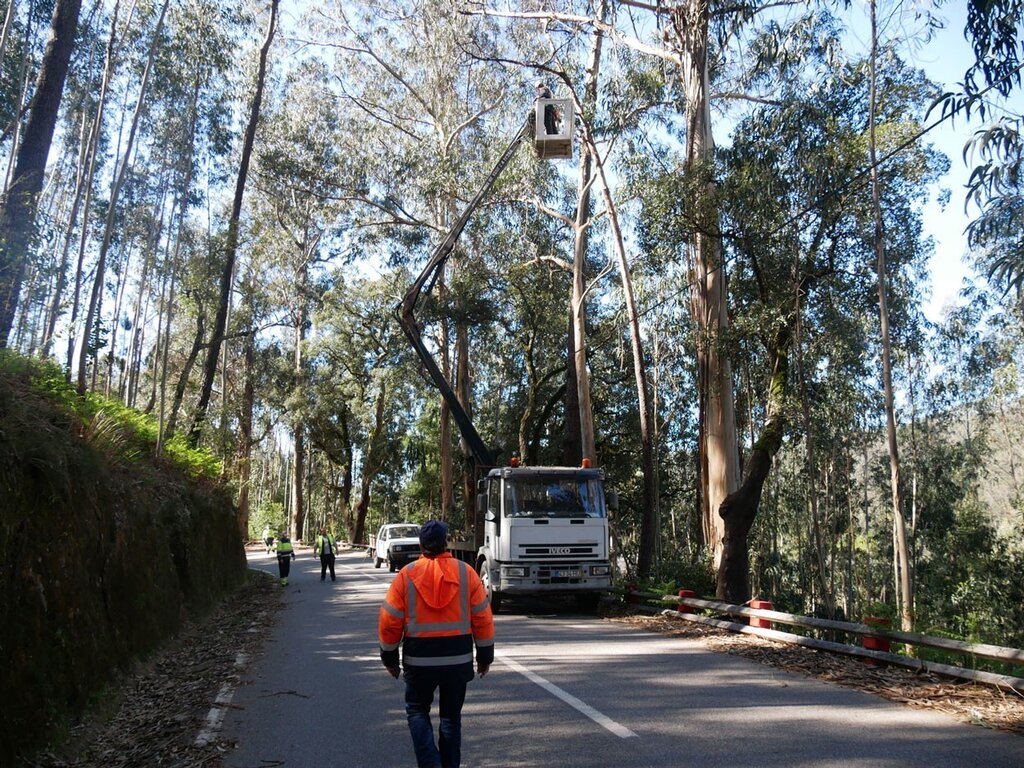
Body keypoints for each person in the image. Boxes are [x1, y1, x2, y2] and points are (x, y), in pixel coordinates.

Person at [378, 520, 494, 768]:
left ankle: (430, 764)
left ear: (421, 545)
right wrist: (485, 657)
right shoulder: (466, 573)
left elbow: (389, 622)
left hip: (419, 662)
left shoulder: (406, 575)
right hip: (458, 659)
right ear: (446, 542)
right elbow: (483, 618)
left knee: (417, 712)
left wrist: (389, 659)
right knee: (451, 718)